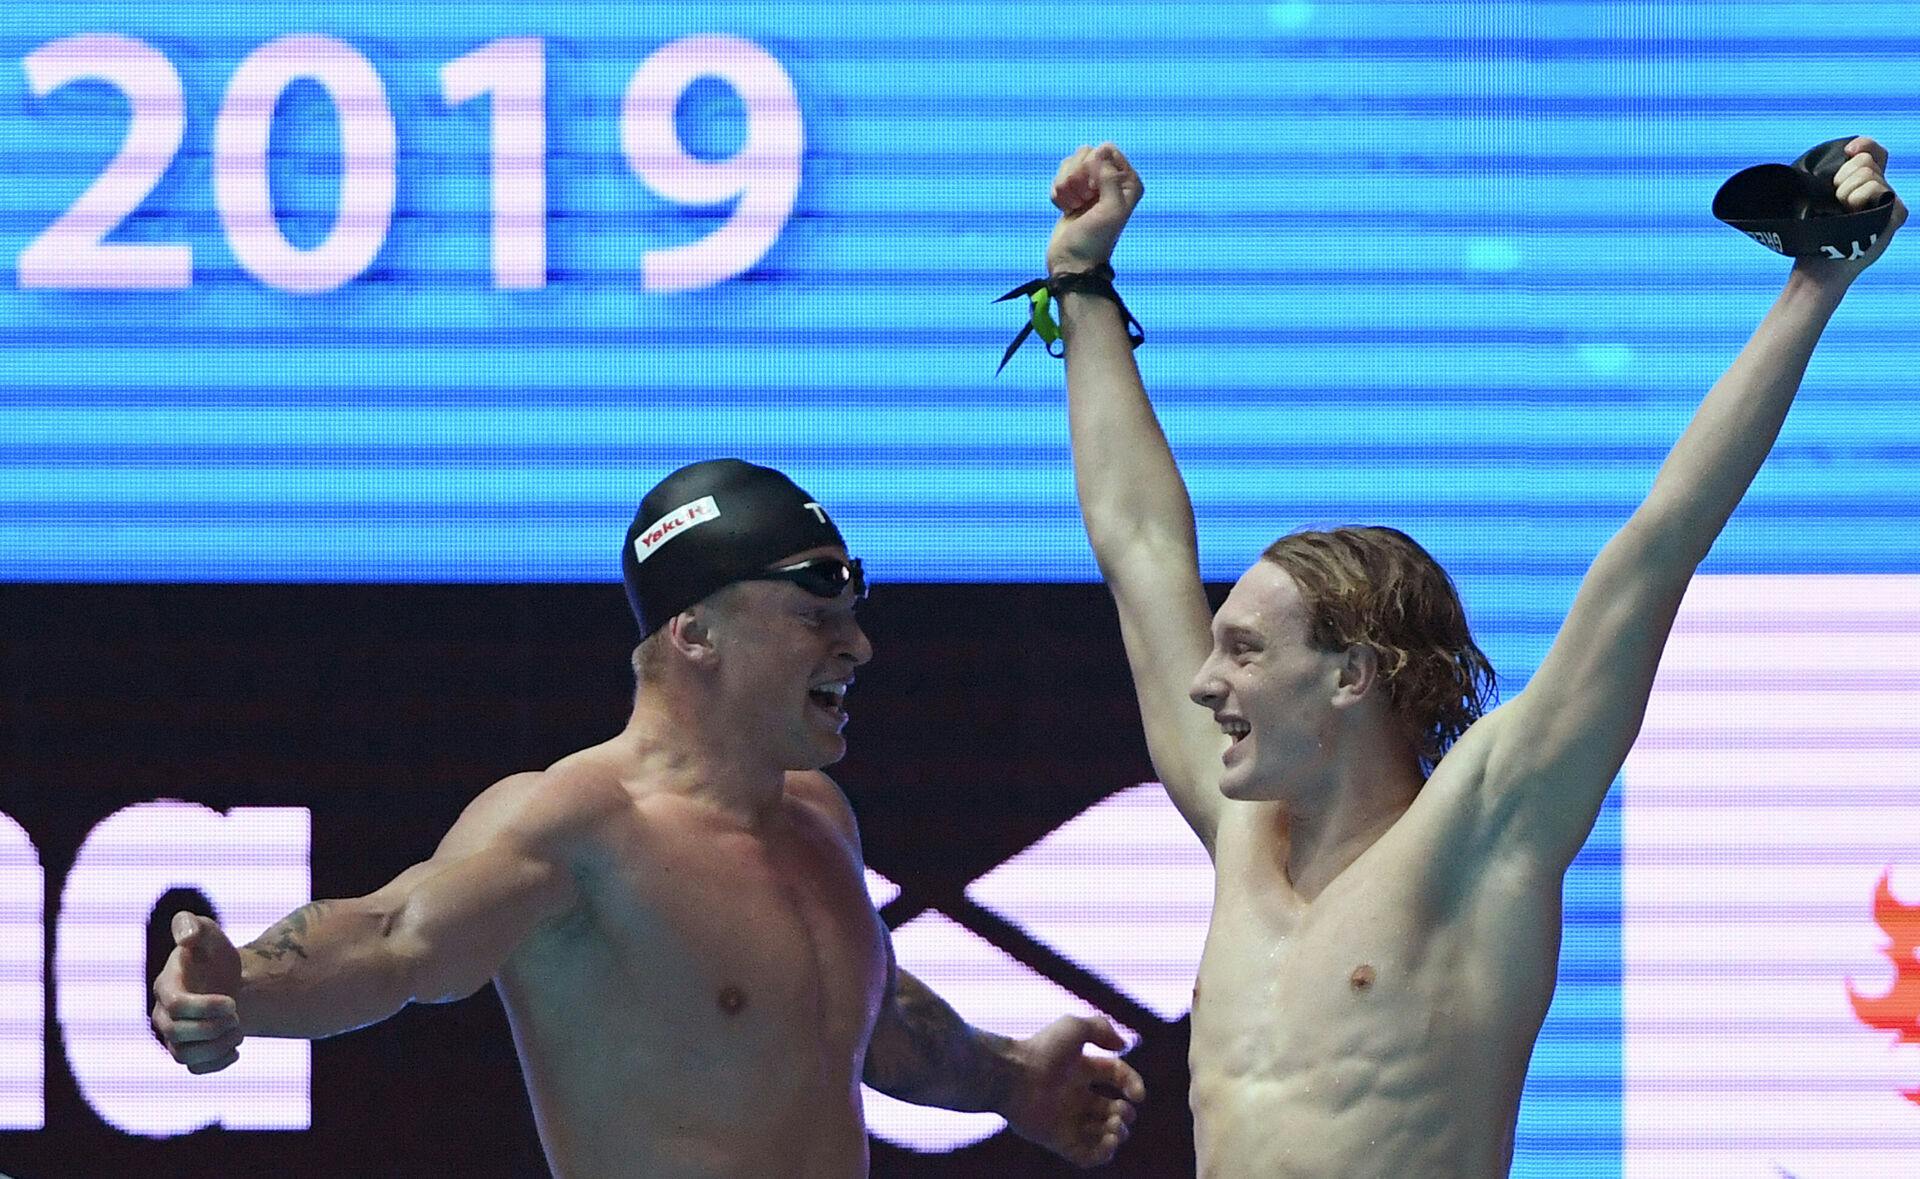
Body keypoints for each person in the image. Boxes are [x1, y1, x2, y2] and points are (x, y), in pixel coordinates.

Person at [1041, 140, 1902, 1176]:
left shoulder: (1488, 833)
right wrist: (1079, 284)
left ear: (1351, 675)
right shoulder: (1241, 834)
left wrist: (1820, 280)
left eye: (1245, 650)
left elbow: (1656, 547)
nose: (1202, 681)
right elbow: (1138, 547)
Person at [151, 458, 1145, 1177]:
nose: (859, 647)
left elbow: (871, 1024)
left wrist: (1012, 1079)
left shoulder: (817, 822)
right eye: (816, 614)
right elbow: (396, 936)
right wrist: (242, 986)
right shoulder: (581, 827)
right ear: (694, 631)